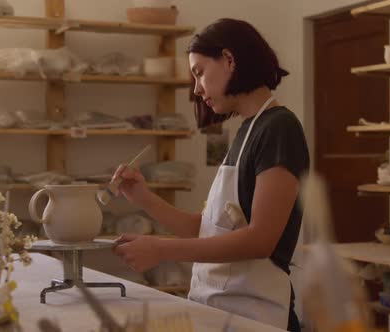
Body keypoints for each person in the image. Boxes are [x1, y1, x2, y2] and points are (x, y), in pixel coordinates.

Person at [112, 18, 309, 332]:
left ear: (229, 60)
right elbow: (206, 229)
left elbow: (260, 240)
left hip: (258, 318)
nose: (196, 88)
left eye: (199, 72)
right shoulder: (249, 129)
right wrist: (143, 198)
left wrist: (161, 249)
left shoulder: (279, 128)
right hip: (222, 311)